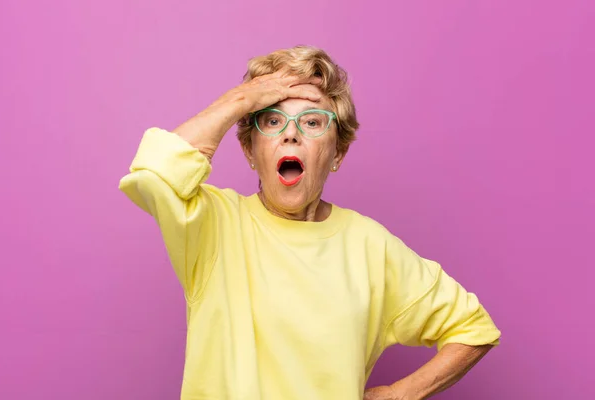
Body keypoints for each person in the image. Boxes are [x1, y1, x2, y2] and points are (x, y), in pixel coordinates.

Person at [118, 45, 501, 400]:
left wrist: (402, 393)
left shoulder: (369, 245)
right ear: (250, 151)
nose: (290, 134)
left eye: (313, 122)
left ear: (338, 153)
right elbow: (153, 172)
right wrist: (241, 100)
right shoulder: (211, 226)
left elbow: (474, 328)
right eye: (271, 120)